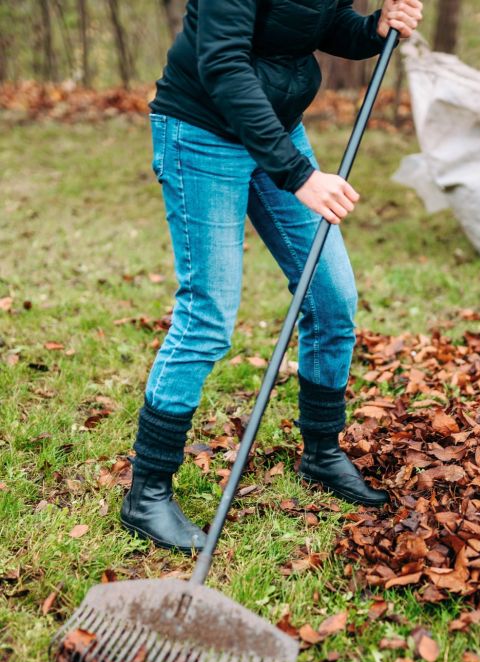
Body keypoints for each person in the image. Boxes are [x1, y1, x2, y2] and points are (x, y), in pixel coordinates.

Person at [121, 0, 424, 552]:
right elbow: (224, 64)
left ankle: (322, 454)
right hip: (202, 130)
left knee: (332, 299)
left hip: (276, 129)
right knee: (207, 318)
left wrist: (372, 29)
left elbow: (316, 21)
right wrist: (299, 174)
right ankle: (147, 495)